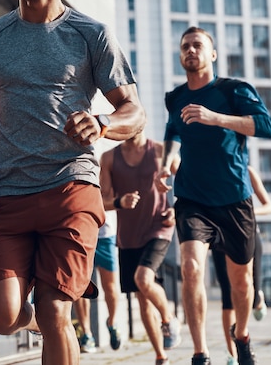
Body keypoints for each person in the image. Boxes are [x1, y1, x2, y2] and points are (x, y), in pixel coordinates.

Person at [0, 0, 146, 363]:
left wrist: (102, 124)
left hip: (70, 188)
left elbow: (134, 112)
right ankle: (44, 322)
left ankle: (53, 319)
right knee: (1, 315)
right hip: (8, 193)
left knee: (56, 307)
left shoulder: (90, 33)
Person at [155, 26, 271, 365]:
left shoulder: (234, 90)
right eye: (185, 47)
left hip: (235, 197)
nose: (191, 51)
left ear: (212, 54)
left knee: (241, 283)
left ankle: (242, 335)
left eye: (197, 45)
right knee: (191, 268)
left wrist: (215, 118)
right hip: (192, 197)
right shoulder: (175, 98)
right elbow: (172, 131)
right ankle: (200, 352)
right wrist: (165, 165)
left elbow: (265, 127)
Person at [100, 131, 182, 365]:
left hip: (159, 228)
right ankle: (160, 356)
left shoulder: (160, 152)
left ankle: (168, 319)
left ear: (141, 122)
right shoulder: (108, 158)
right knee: (142, 297)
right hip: (128, 236)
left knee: (143, 279)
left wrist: (177, 210)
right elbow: (101, 201)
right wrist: (118, 202)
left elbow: (190, 183)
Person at [213, 165, 271, 365]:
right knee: (227, 297)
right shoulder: (210, 172)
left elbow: (269, 205)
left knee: (250, 292)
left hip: (248, 236)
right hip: (221, 238)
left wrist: (245, 211)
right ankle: (232, 353)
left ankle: (258, 298)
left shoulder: (247, 171)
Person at [73, 221, 122, 354]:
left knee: (110, 287)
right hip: (81, 235)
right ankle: (87, 334)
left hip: (105, 236)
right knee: (81, 287)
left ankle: (111, 322)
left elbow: (119, 202)